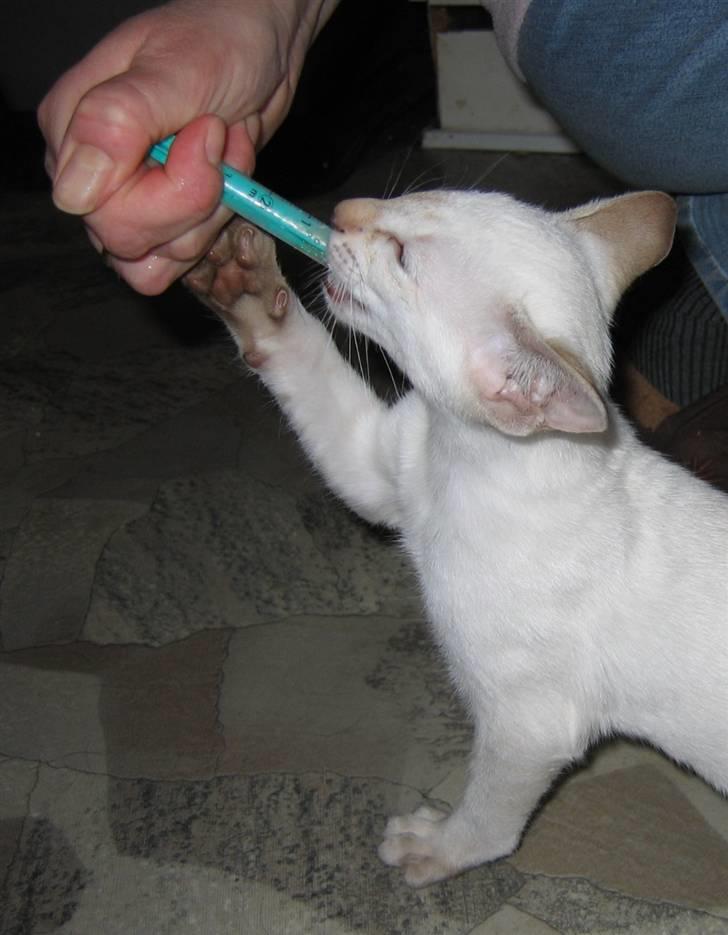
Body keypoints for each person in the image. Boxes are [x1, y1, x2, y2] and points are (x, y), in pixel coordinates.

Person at [39, 0, 728, 480]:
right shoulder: (467, 413)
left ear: (512, 388)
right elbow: (376, 463)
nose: (354, 211)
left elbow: (378, 471)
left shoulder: (535, 583)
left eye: (402, 250)